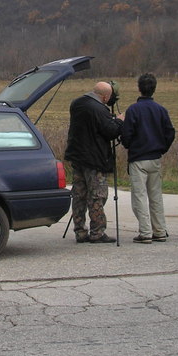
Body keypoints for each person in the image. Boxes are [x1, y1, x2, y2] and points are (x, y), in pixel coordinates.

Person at [64, 81, 124, 243]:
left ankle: (80, 231)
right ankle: (97, 232)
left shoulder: (77, 104)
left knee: (79, 195)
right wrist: (118, 121)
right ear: (105, 97)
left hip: (77, 156)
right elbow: (110, 131)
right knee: (97, 195)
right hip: (94, 159)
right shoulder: (98, 109)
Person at [120, 73, 175, 244]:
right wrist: (162, 148)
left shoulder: (133, 110)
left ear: (139, 88)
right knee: (155, 196)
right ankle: (159, 230)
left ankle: (145, 232)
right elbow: (170, 132)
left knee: (139, 196)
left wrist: (128, 144)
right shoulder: (161, 110)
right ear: (154, 89)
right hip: (155, 157)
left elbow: (126, 134)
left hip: (138, 158)